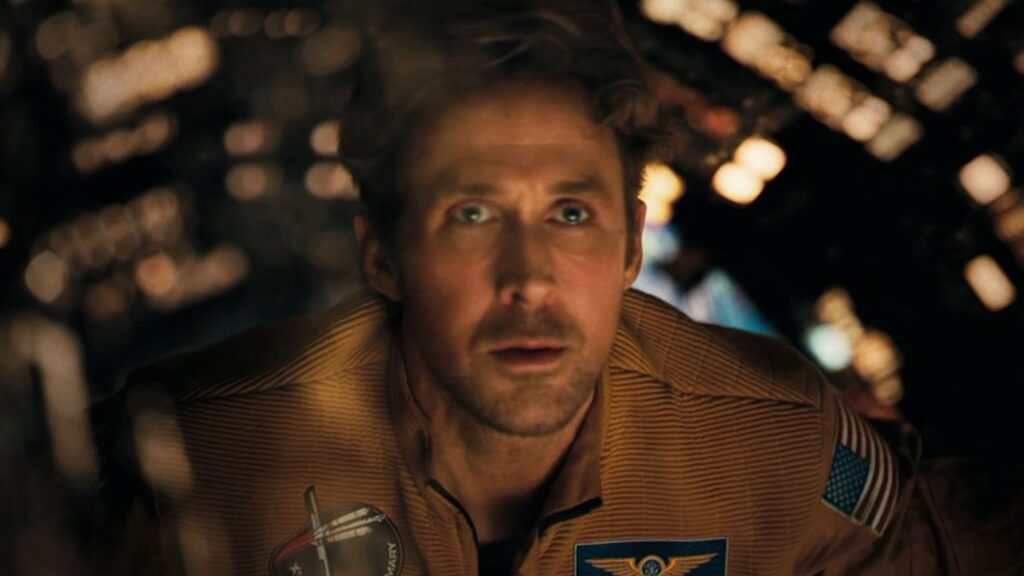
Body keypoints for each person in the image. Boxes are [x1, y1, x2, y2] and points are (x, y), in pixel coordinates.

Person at [92, 2, 1023, 576]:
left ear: (632, 242)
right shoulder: (190, 460)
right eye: (471, 213)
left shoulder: (775, 440)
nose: (529, 279)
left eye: (571, 213)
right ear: (381, 256)